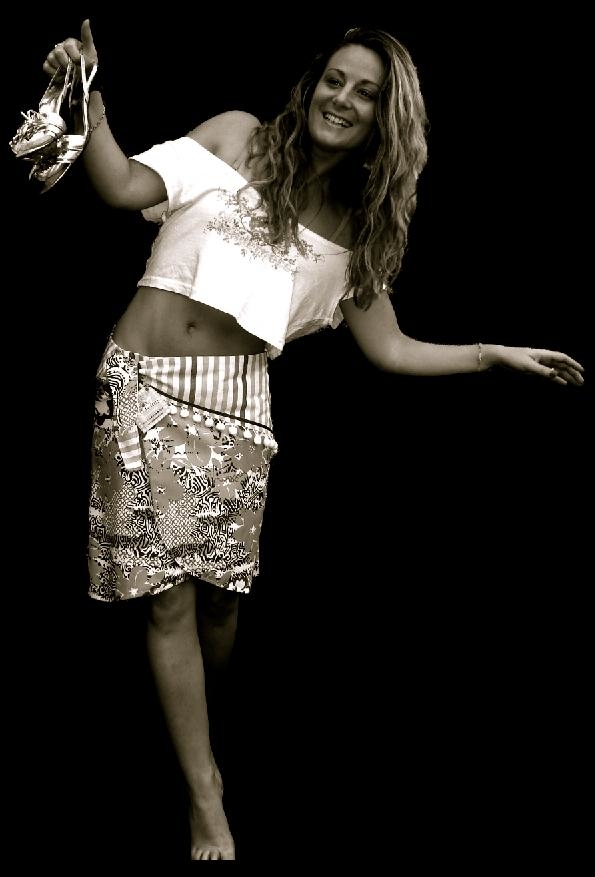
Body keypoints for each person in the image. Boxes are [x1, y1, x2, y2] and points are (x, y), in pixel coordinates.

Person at [32, 18, 584, 861]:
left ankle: (203, 712)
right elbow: (122, 186)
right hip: (139, 384)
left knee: (220, 597)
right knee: (167, 597)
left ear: (383, 118)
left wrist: (490, 354)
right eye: (335, 79)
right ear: (313, 82)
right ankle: (206, 796)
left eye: (365, 93)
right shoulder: (235, 135)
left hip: (235, 406)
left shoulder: (354, 229)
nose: (342, 99)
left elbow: (389, 348)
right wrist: (90, 107)